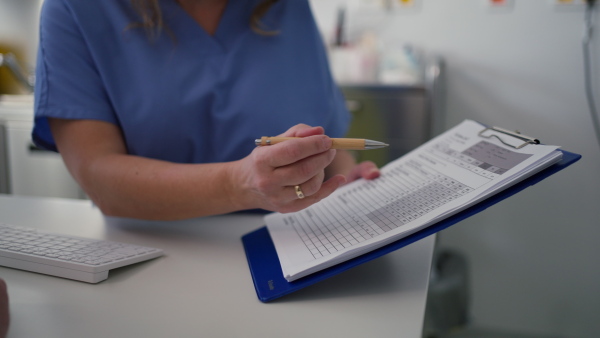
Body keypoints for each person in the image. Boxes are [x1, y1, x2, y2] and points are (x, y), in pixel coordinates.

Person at [32, 0, 380, 221]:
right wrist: (238, 185)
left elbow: (329, 142)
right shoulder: (75, 10)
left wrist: (340, 184)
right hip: (150, 263)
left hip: (296, 252)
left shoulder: (289, 7)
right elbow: (98, 176)